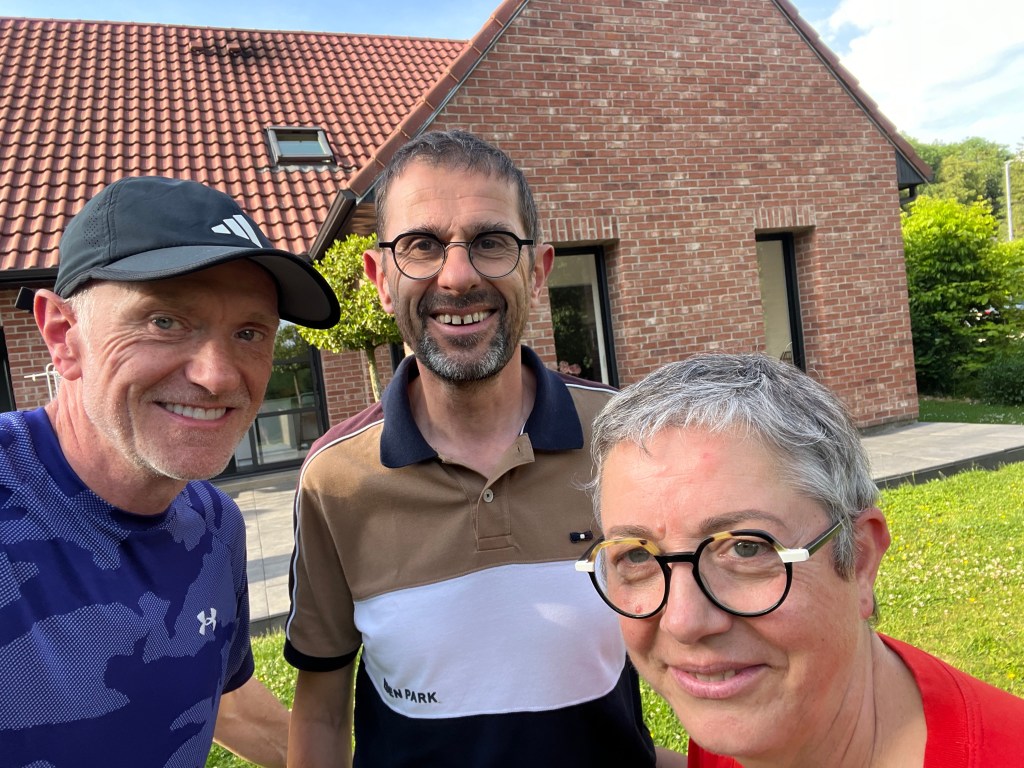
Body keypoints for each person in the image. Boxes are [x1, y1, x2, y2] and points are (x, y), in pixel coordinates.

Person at [284, 130, 680, 767]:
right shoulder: (335, 481)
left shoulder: (629, 438)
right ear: (380, 279)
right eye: (421, 245)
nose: (458, 275)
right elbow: (323, 714)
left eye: (491, 242)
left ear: (538, 270)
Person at [0, 175, 341, 767]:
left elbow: (217, 693)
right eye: (164, 321)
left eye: (249, 332)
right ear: (62, 335)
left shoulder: (215, 525)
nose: (218, 375)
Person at [578, 352, 1024, 767]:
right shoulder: (742, 702)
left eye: (747, 548)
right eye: (636, 555)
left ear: (860, 559)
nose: (683, 622)